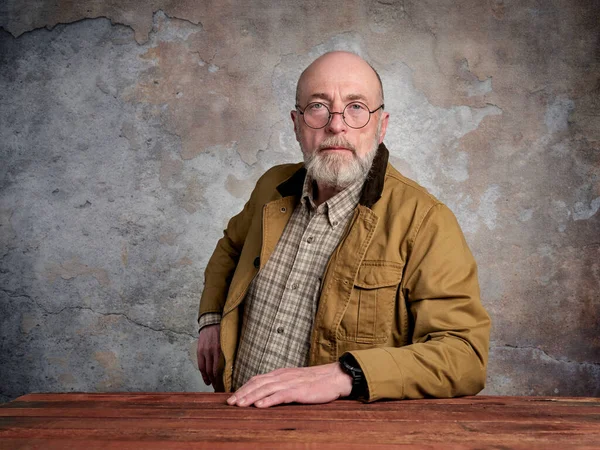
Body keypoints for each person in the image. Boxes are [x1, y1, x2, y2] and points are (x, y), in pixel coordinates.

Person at [196, 51, 491, 408]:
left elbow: (464, 355)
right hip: (236, 414)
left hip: (336, 437)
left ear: (381, 125)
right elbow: (230, 247)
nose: (337, 126)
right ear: (296, 123)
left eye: (356, 107)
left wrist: (345, 374)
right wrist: (211, 320)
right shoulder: (271, 186)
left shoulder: (426, 221)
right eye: (318, 107)